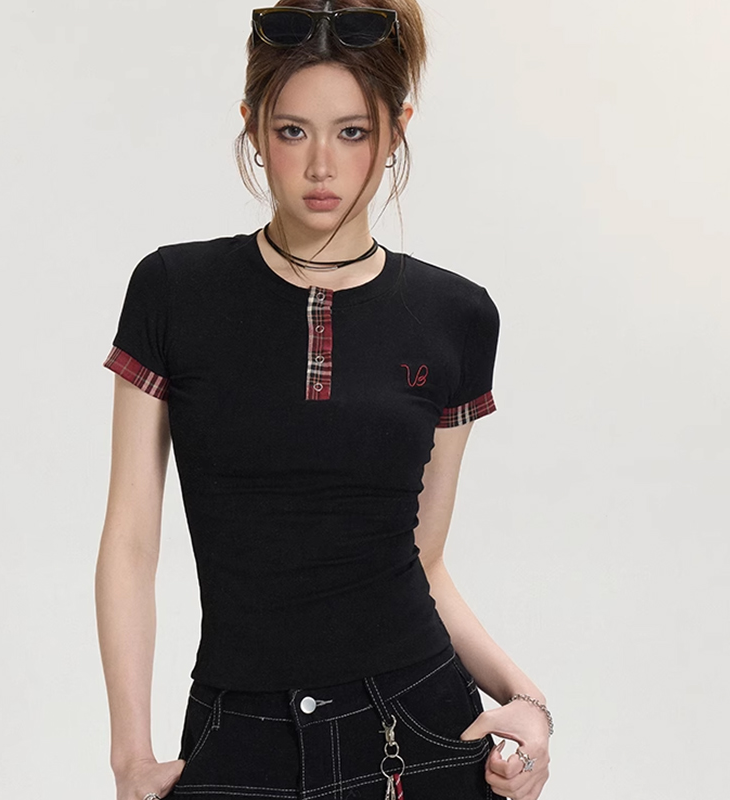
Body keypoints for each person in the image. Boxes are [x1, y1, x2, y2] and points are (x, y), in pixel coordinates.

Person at [95, 2, 553, 799]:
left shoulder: (455, 315)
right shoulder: (173, 292)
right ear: (251, 126)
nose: (320, 167)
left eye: (352, 132)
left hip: (419, 733)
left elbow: (424, 561)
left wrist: (527, 701)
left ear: (396, 131)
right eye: (292, 130)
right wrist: (129, 755)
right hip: (238, 735)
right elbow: (131, 542)